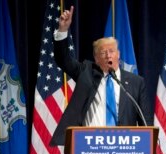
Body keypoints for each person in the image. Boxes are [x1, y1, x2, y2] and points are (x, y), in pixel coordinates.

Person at [49, 6, 154, 146]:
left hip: (125, 148)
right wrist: (63, 30)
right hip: (89, 147)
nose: (108, 55)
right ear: (96, 58)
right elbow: (63, 60)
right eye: (103, 52)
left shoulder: (136, 82)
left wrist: (151, 153)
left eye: (111, 51)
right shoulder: (86, 72)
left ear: (118, 55)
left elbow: (145, 120)